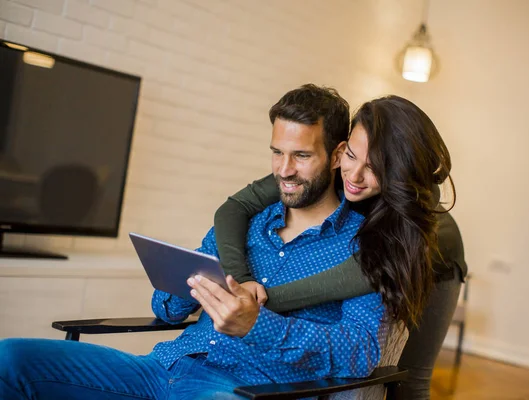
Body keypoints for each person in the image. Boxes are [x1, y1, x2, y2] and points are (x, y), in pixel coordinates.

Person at [0, 84, 388, 400]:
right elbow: (166, 309)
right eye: (277, 153)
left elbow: (360, 351)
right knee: (11, 359)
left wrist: (259, 326)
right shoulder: (245, 224)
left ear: (337, 155)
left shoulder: (360, 245)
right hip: (160, 369)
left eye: (301, 156)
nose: (284, 170)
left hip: (241, 390)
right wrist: (185, 282)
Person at [214, 95, 468, 400]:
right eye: (351, 155)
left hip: (435, 260)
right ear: (340, 149)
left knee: (412, 378)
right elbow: (232, 209)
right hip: (373, 254)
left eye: (375, 168)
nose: (354, 176)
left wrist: (253, 303)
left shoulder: (414, 208)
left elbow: (356, 276)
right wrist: (241, 280)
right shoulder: (328, 167)